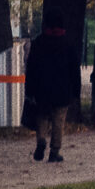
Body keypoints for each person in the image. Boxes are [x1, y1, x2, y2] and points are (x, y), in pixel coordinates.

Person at [24, 14, 75, 162]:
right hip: (62, 89)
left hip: (42, 89)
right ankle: (54, 151)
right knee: (59, 120)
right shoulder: (67, 43)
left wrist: (30, 90)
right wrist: (75, 90)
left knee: (42, 116)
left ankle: (41, 139)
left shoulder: (38, 43)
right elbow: (74, 69)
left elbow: (31, 68)